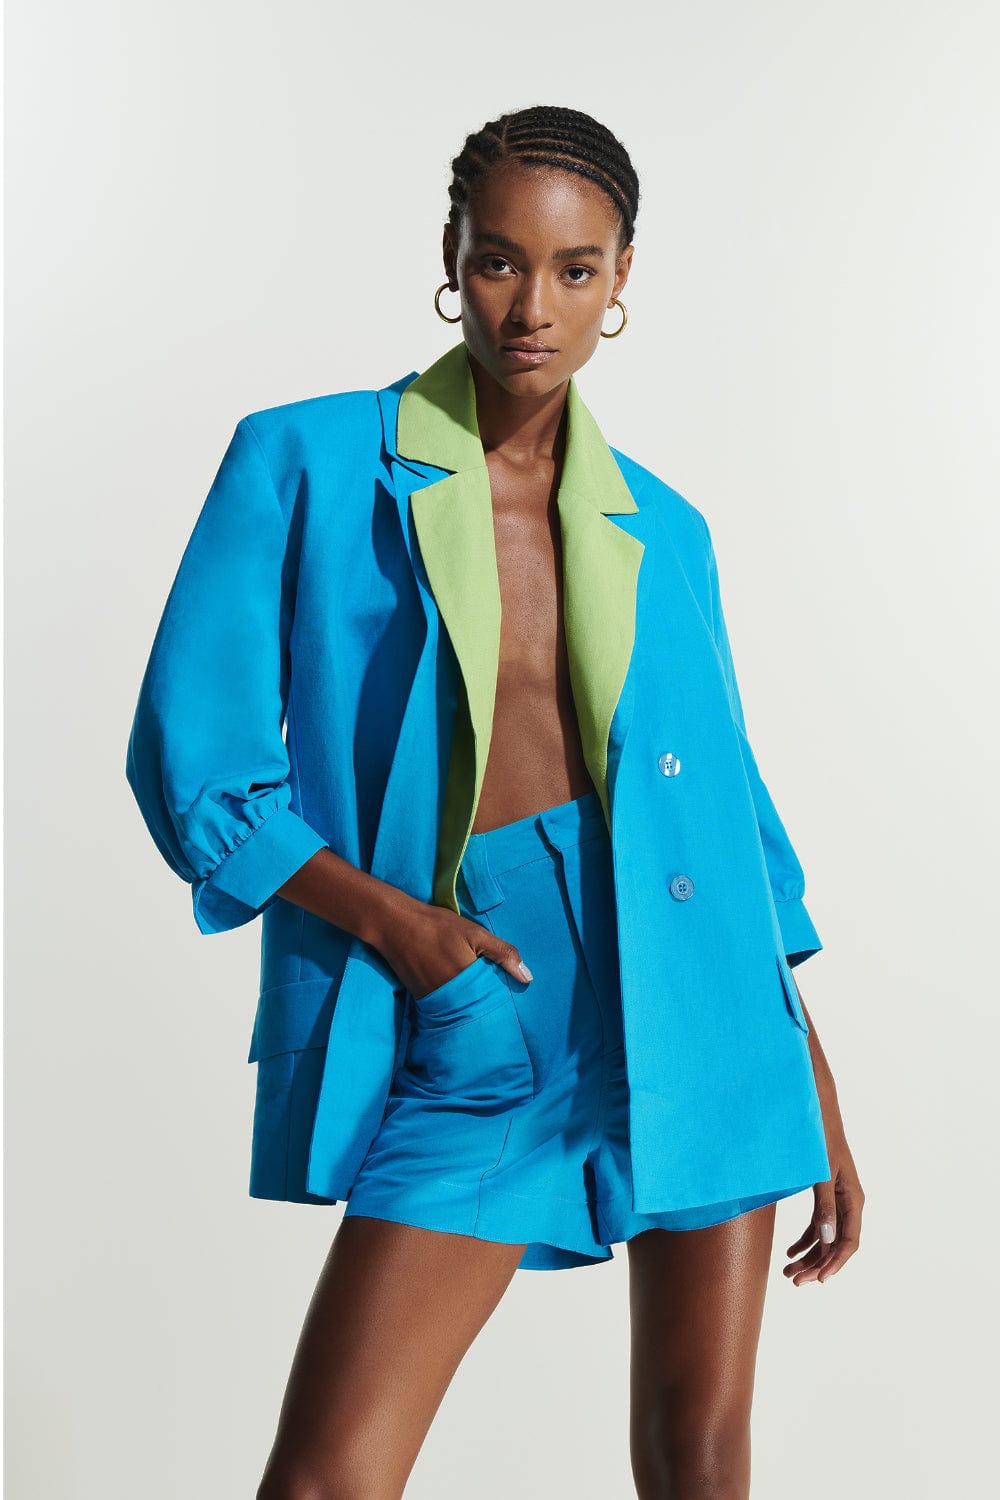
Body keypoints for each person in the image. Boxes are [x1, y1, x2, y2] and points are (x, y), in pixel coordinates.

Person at [125, 105, 864, 1499]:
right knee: (329, 1478)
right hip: (484, 995)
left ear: (622, 278)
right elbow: (196, 755)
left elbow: (730, 822)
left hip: (705, 1002)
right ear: (451, 258)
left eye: (575, 270)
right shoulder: (305, 461)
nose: (533, 308)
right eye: (500, 261)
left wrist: (805, 1074)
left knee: (701, 1465)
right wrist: (400, 930)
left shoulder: (666, 528)